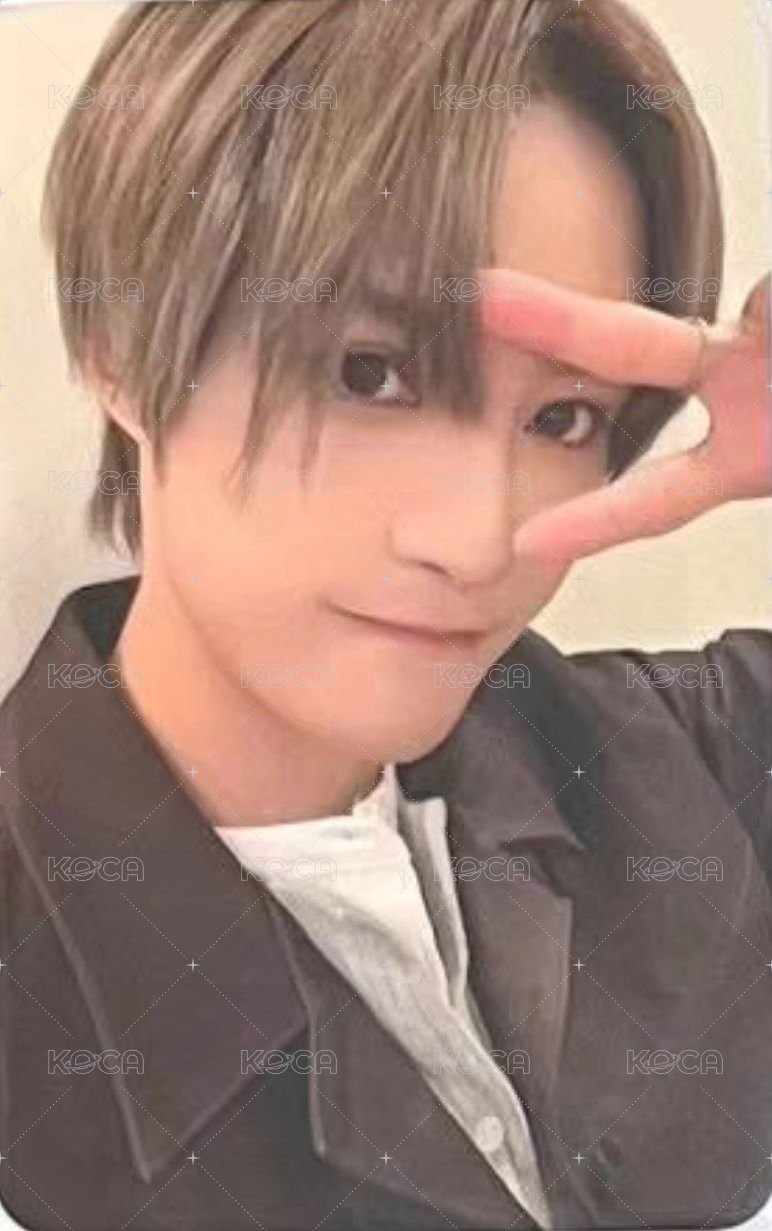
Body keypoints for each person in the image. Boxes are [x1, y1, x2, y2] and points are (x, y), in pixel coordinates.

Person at [0, 1, 770, 1228]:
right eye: (371, 373)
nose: (477, 542)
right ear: (121, 347)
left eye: (562, 417)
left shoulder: (697, 762)